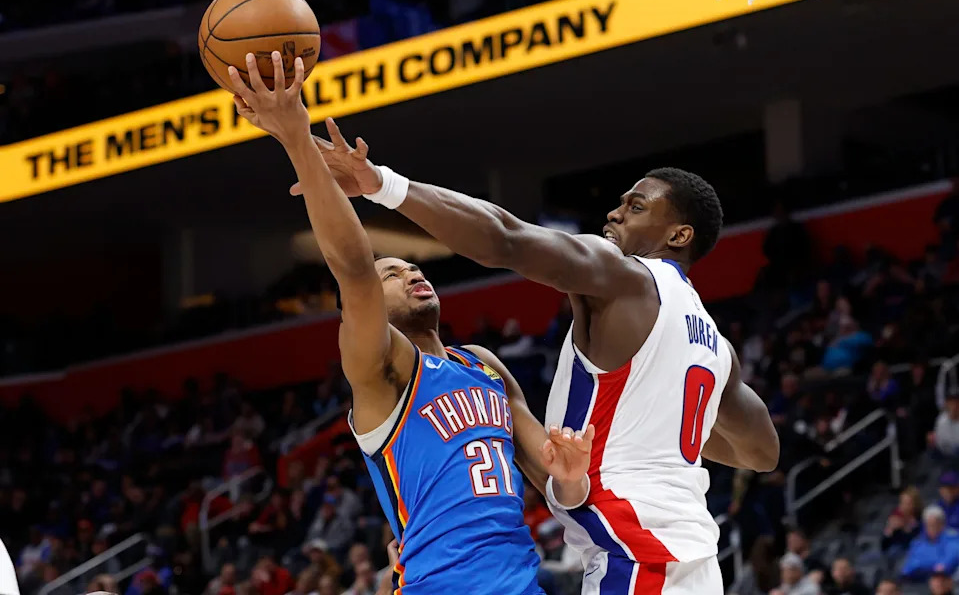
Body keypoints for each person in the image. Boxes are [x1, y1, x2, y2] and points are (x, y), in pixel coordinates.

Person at [295, 117, 780, 593]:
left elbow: (505, 237)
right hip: (687, 557)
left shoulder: (624, 277)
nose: (613, 214)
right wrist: (663, 430)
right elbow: (761, 451)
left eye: (634, 207)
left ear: (679, 236)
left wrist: (384, 184)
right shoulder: (716, 346)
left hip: (637, 555)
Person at [230, 52, 593, 595]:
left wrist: (571, 477)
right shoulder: (384, 370)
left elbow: (555, 485)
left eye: (411, 265)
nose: (410, 272)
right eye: (392, 273)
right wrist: (296, 137)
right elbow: (353, 267)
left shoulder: (484, 365)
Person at [900, 505, 959, 582]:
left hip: (943, 579)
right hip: (919, 578)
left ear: (942, 524)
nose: (932, 528)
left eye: (935, 524)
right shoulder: (918, 542)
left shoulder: (953, 538)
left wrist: (927, 566)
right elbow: (909, 567)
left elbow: (945, 564)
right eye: (929, 525)